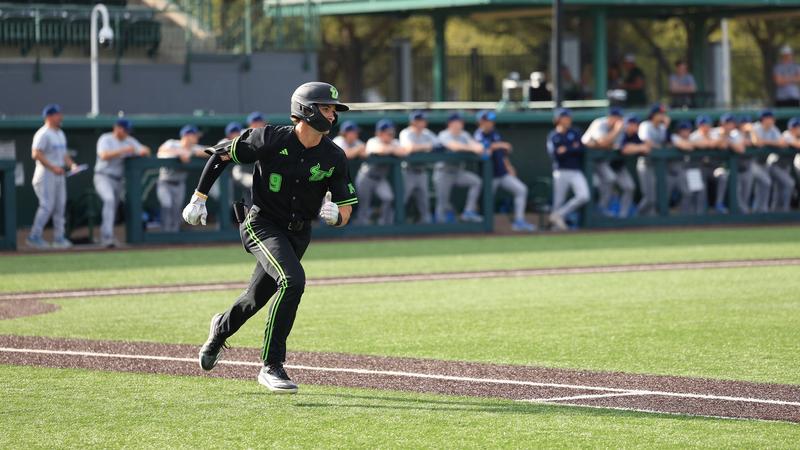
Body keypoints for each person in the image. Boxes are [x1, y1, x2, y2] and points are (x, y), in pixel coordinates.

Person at [183, 81, 357, 393]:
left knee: (254, 299)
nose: (332, 115)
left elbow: (346, 209)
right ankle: (272, 365)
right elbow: (221, 155)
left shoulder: (335, 156)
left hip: (298, 233)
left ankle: (219, 330)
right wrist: (199, 198)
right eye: (326, 107)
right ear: (304, 110)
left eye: (333, 109)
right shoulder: (269, 137)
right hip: (260, 223)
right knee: (293, 281)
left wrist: (335, 218)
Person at [474, 110, 535, 231]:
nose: (491, 123)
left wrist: (509, 166)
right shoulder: (478, 135)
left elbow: (502, 154)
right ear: (481, 122)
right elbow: (483, 147)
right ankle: (484, 226)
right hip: (488, 176)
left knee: (521, 190)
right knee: (486, 200)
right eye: (488, 121)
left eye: (492, 121)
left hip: (502, 173)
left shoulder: (495, 133)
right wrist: (501, 145)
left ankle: (519, 221)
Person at [93, 118, 151, 247]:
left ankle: (108, 236)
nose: (126, 133)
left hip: (118, 179)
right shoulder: (105, 138)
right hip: (103, 176)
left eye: (128, 130)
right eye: (125, 130)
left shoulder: (129, 140)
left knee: (113, 207)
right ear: (117, 128)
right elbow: (103, 155)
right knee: (109, 200)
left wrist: (141, 151)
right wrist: (124, 151)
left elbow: (146, 150)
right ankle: (106, 237)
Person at [27, 103, 77, 249]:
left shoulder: (60, 133)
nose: (60, 117)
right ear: (49, 117)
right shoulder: (43, 133)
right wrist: (53, 167)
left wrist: (72, 165)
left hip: (59, 173)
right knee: (47, 206)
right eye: (57, 114)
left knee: (60, 206)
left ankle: (59, 238)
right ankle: (34, 236)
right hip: (45, 173)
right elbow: (36, 154)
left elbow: (64, 155)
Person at [434, 113, 485, 223]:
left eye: (460, 122)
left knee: (476, 182)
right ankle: (439, 229)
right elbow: (454, 147)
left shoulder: (464, 135)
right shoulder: (444, 134)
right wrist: (471, 148)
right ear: (450, 124)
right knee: (442, 203)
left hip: (458, 172)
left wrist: (474, 147)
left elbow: (479, 147)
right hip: (443, 172)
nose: (459, 125)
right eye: (456, 122)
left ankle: (469, 212)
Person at [355, 119, 405, 225]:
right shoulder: (373, 141)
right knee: (364, 204)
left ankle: (384, 224)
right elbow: (379, 150)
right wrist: (392, 150)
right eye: (387, 132)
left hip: (380, 179)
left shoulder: (394, 142)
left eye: (391, 132)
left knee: (388, 198)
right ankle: (361, 227)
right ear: (379, 133)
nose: (390, 135)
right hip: (366, 177)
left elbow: (403, 151)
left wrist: (391, 149)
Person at [156, 125, 206, 232]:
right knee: (167, 206)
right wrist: (180, 153)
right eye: (195, 135)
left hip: (179, 183)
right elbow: (160, 151)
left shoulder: (193, 147)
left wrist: (192, 152)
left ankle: (174, 235)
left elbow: (208, 151)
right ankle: (164, 233)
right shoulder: (172, 143)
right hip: (165, 182)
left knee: (176, 210)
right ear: (187, 136)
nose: (197, 138)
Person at [546, 108, 589, 230]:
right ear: (558, 120)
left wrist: (566, 149)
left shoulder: (575, 132)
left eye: (569, 118)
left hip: (575, 170)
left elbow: (581, 149)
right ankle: (555, 228)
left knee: (584, 196)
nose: (568, 120)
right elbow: (554, 154)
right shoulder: (553, 135)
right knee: (558, 201)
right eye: (565, 118)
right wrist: (571, 148)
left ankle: (558, 215)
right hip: (560, 171)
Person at [581, 107, 627, 216]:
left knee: (610, 178)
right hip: (583, 159)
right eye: (616, 118)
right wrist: (614, 133)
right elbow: (602, 142)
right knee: (591, 186)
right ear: (610, 118)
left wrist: (605, 143)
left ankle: (602, 208)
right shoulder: (599, 123)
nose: (618, 121)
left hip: (599, 160)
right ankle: (586, 214)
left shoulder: (620, 128)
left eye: (619, 118)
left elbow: (614, 146)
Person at [398, 111, 437, 224]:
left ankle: (426, 227)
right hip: (408, 171)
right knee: (402, 200)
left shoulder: (427, 133)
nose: (421, 123)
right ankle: (394, 224)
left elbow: (438, 145)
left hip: (422, 172)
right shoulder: (406, 133)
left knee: (424, 203)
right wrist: (426, 147)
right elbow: (408, 148)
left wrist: (420, 147)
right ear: (413, 122)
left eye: (422, 121)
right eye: (418, 121)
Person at [636, 104, 673, 215]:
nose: (662, 116)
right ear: (653, 115)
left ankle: (650, 222)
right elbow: (647, 142)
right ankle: (635, 218)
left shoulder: (662, 128)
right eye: (660, 114)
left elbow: (668, 143)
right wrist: (660, 148)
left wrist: (666, 126)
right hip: (645, 164)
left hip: (658, 166)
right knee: (649, 198)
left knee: (658, 196)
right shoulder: (645, 125)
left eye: (663, 114)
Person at [607, 114, 642, 218]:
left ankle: (623, 216)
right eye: (631, 124)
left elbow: (646, 147)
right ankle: (604, 215)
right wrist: (637, 147)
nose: (633, 126)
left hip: (619, 167)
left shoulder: (634, 136)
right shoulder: (621, 133)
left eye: (635, 124)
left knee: (629, 187)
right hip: (605, 166)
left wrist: (635, 147)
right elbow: (624, 149)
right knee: (608, 187)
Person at [750, 110, 784, 212]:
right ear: (764, 119)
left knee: (763, 185)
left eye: (772, 118)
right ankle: (761, 210)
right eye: (769, 118)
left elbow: (782, 143)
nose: (772, 120)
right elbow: (757, 142)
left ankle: (759, 210)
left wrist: (766, 142)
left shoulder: (773, 129)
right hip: (752, 162)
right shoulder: (755, 127)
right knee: (766, 182)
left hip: (764, 162)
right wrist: (772, 143)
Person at [709, 114, 744, 213]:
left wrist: (729, 142)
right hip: (707, 166)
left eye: (731, 123)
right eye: (726, 123)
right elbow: (716, 145)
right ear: (721, 124)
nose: (728, 126)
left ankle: (737, 207)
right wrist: (725, 140)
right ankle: (718, 204)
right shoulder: (714, 132)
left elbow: (741, 149)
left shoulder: (735, 134)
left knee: (732, 178)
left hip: (723, 168)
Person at [767, 118, 796, 211]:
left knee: (778, 190)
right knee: (789, 183)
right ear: (793, 128)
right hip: (775, 164)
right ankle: (785, 210)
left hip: (784, 166)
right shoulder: (787, 135)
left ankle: (775, 210)